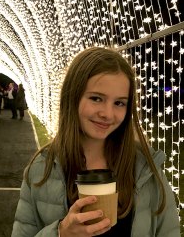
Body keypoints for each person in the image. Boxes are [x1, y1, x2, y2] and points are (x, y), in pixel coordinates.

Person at [12, 47, 180, 236]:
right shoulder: (41, 169)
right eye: (96, 98)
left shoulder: (146, 168)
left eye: (119, 103)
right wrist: (60, 233)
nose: (107, 114)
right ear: (72, 97)